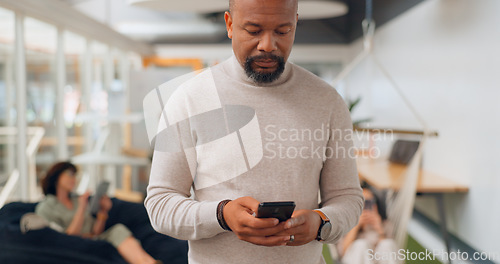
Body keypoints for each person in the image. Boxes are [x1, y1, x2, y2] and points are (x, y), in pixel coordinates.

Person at [144, 0, 364, 263]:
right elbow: (159, 205)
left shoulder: (327, 101)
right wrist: (221, 215)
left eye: (283, 31)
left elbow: (347, 198)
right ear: (229, 24)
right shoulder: (189, 99)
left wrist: (321, 222)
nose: (268, 45)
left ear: (296, 23)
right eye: (253, 30)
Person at [35, 162, 161, 264]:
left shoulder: (77, 200)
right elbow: (67, 238)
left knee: (118, 230)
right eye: (69, 174)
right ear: (56, 176)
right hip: (73, 246)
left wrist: (103, 211)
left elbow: (95, 232)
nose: (74, 179)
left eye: (75, 175)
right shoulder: (46, 207)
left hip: (93, 239)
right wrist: (82, 207)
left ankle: (149, 262)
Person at [338, 186, 399, 264]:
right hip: (354, 259)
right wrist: (356, 225)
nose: (365, 207)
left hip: (378, 260)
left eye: (369, 202)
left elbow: (389, 251)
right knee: (361, 245)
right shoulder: (346, 225)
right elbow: (342, 253)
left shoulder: (385, 224)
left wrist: (379, 228)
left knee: (387, 243)